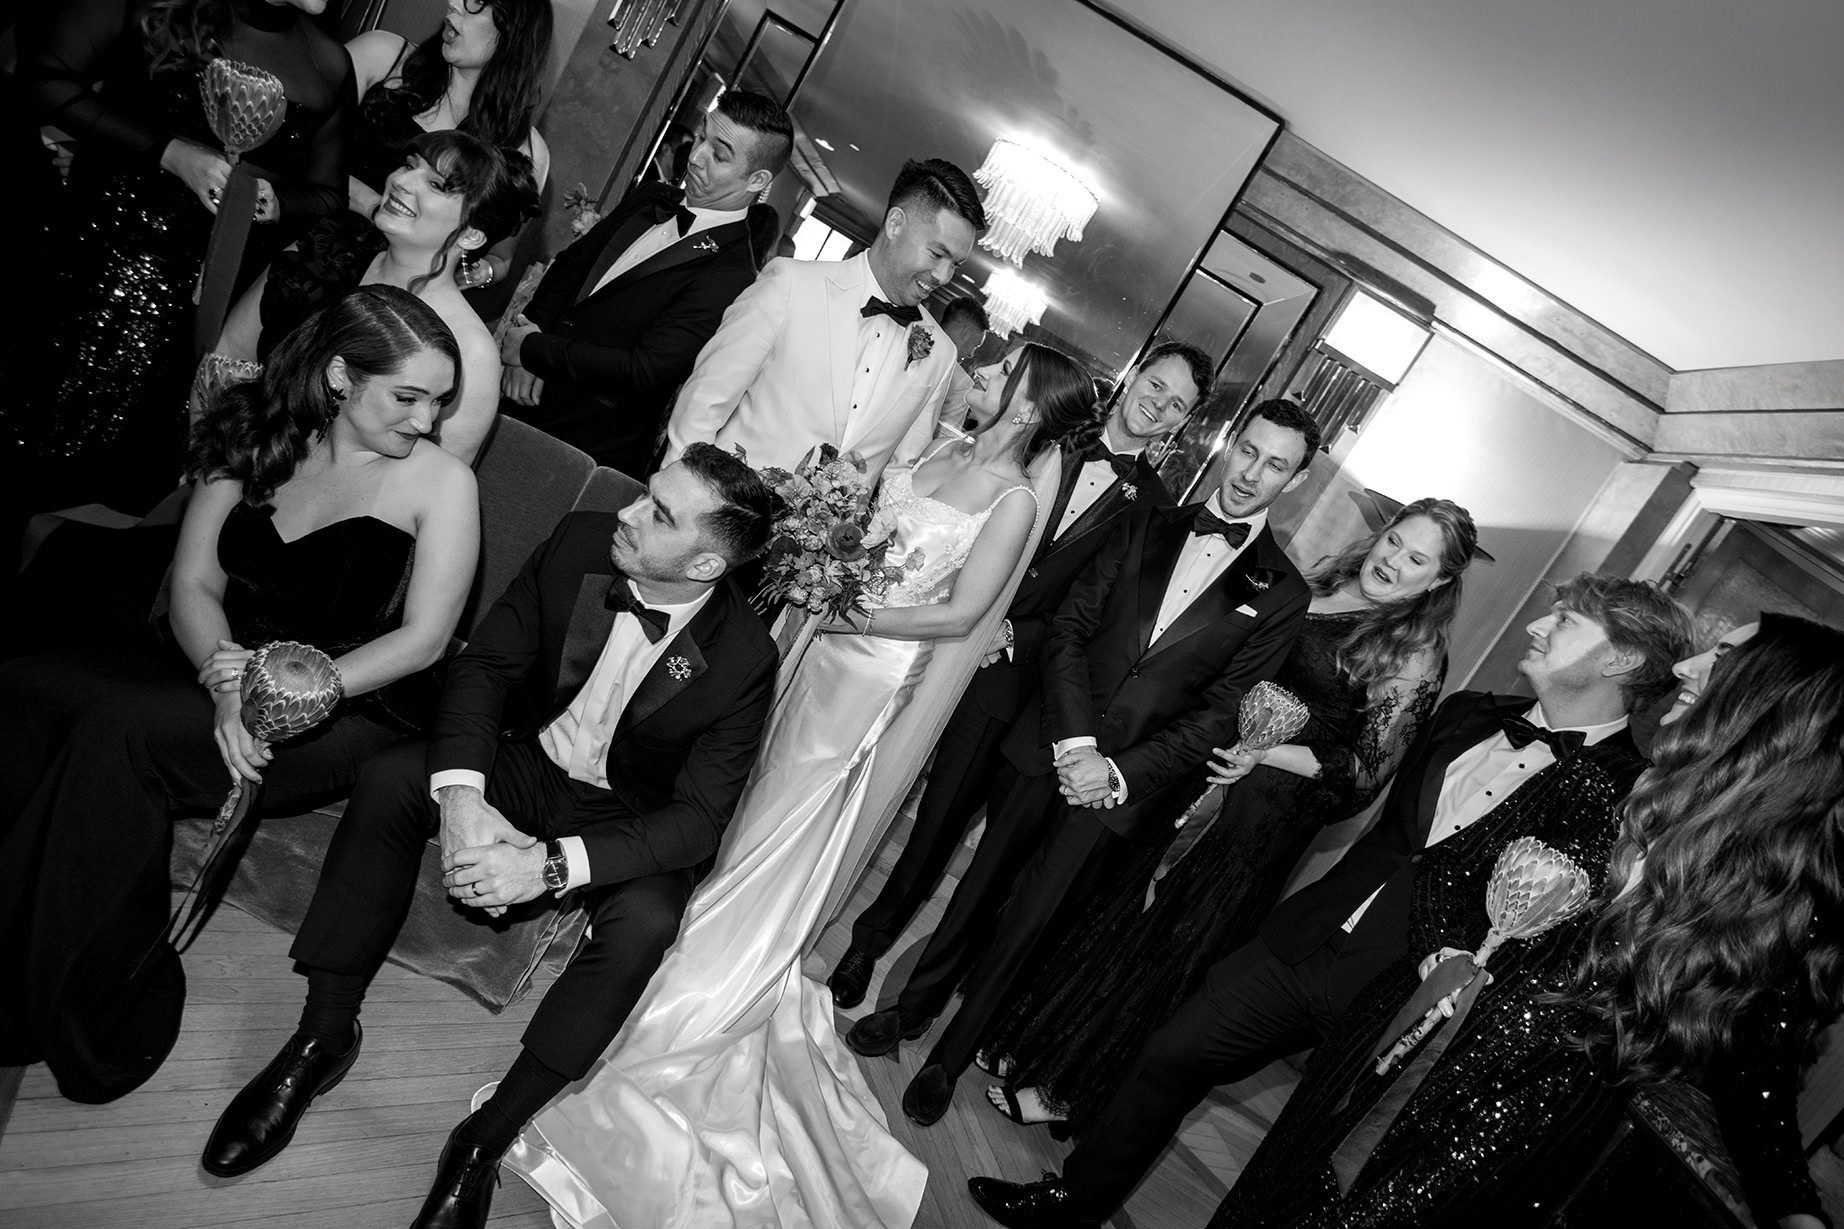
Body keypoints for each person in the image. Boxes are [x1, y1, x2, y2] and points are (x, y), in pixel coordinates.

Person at [502, 344, 1096, 1229]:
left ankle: (698, 979)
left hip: (870, 672)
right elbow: (867, 535)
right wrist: (823, 561)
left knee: (785, 819)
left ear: (1027, 405)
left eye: (998, 372)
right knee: (739, 788)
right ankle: (647, 928)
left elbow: (961, 613)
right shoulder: (940, 446)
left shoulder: (1013, 503)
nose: (979, 375)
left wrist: (849, 610)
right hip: (818, 638)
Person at [964, 572, 1695, 1228]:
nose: (1538, 625)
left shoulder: (1622, 791)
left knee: (1300, 1161)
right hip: (1309, 938)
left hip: (1405, 996)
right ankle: (1074, 1205)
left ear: (1622, 659)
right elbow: (1384, 815)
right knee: (1169, 1052)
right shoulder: (1470, 711)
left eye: (1565, 621)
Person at [201, 445, 781, 1229]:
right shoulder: (580, 542)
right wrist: (464, 798)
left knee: (647, 920)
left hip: (627, 811)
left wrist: (547, 866)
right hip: (530, 757)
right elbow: (485, 669)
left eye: (659, 514)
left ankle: (484, 1138)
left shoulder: (744, 658)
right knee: (395, 779)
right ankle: (322, 1035)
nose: (628, 513)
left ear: (707, 564)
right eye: (646, 493)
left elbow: (698, 819)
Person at [0, 286, 479, 1104]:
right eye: (408, 397)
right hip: (214, 659)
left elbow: (424, 641)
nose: (427, 421)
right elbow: (193, 581)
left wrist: (264, 694)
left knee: (118, 734)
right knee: (23, 687)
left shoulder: (442, 483)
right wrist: (226, 683)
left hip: (342, 702)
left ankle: (81, 1005)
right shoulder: (254, 429)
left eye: (440, 401)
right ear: (340, 376)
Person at [1207, 612, 1843, 1227]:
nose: (1686, 666)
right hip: (1399, 1041)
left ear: (1774, 706)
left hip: (1513, 1127)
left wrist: (1794, 1207)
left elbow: (1761, 1072)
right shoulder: (1603, 785)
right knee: (1271, 1199)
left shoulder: (1783, 897)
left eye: (1722, 657)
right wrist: (1442, 948)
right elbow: (1448, 867)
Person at [851, 398, 1323, 1128]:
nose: (1252, 474)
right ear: (1231, 444)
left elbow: (1223, 708)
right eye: (1249, 452)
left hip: (1123, 790)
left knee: (1029, 924)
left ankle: (950, 1058)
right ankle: (909, 1010)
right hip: (1049, 742)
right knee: (977, 886)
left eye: (1276, 466)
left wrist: (1117, 771)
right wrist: (1075, 743)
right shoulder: (1148, 520)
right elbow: (1071, 626)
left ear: (1295, 480)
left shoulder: (1284, 591)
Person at [981, 497, 1479, 1134]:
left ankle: (1069, 1089)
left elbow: (1365, 774)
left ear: (1438, 581)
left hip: (1257, 820)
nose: (1394, 561)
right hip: (1199, 777)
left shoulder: (1414, 652)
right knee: (1119, 912)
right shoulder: (1317, 583)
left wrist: (1267, 752)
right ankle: (1034, 1045)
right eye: (1395, 542)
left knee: (1164, 947)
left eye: (1417, 560)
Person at [827, 341, 1213, 1012]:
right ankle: (823, 898)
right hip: (927, 633)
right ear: (1133, 376)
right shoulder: (1042, 435)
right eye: (1155, 383)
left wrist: (1012, 633)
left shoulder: (1156, 509)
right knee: (870, 777)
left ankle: (876, 948)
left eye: (1176, 403)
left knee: (948, 827)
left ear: (1182, 422)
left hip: (1019, 679)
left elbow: (1102, 611)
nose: (1158, 403)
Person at [9, 0, 353, 516]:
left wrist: (275, 202)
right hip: (90, 271)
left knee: (121, 492)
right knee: (32, 443)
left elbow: (328, 194)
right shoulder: (161, 3)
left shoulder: (327, 61)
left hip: (199, 315)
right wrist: (170, 152)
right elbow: (44, 78)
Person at [497, 89, 792, 476]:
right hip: (518, 390)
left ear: (757, 179)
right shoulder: (654, 195)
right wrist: (526, 343)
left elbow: (645, 369)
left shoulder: (732, 274)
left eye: (719, 155)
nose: (696, 156)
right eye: (701, 137)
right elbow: (571, 266)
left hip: (584, 442)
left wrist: (534, 351)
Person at [211, 129, 542, 463]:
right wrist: (216, 464)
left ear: (470, 235)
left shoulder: (470, 350)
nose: (401, 181)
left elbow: (433, 478)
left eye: (435, 184)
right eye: (409, 165)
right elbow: (228, 355)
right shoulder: (327, 251)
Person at [662, 157, 987, 479]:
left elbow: (899, 472)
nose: (943, 276)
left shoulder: (940, 354)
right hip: (728, 502)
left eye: (955, 265)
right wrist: (677, 496)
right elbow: (705, 403)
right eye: (937, 253)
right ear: (895, 224)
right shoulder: (790, 284)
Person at [343, 0, 554, 292]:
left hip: (389, 297)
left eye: (476, 2)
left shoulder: (527, 149)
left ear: (513, 32)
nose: (453, 3)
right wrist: (375, 205)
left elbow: (501, 258)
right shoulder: (381, 55)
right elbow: (296, 150)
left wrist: (480, 272)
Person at [938, 296, 991, 431]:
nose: (971, 354)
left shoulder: (908, 337)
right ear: (966, 333)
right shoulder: (962, 383)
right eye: (975, 345)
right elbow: (944, 434)